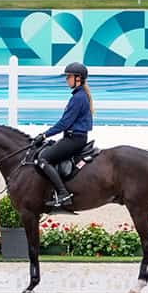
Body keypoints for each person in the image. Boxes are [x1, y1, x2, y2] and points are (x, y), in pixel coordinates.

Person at [36, 62, 94, 209]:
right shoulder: (80, 95)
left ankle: (63, 194)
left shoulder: (78, 98)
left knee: (43, 159)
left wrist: (44, 135)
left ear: (78, 78)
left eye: (69, 77)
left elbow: (64, 123)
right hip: (73, 137)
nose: (66, 79)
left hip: (74, 139)